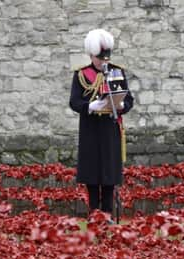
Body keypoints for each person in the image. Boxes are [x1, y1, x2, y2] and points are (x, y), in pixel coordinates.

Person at [69, 28, 134, 218]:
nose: (104, 61)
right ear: (91, 55)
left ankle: (107, 214)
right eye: (100, 58)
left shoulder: (116, 71)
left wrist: (121, 104)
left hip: (109, 128)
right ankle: (94, 214)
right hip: (91, 129)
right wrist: (91, 106)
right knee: (92, 174)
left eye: (106, 58)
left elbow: (129, 100)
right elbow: (74, 101)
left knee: (108, 175)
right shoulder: (82, 75)